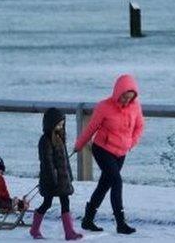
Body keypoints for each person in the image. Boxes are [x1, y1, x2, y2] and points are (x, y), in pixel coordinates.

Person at [74, 74, 144, 235]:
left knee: (104, 185)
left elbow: (140, 127)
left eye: (130, 98)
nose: (127, 100)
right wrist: (79, 145)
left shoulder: (135, 107)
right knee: (117, 181)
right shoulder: (104, 106)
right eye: (125, 97)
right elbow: (91, 128)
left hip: (121, 152)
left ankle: (87, 219)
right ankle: (121, 223)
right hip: (102, 149)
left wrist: (131, 143)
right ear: (118, 92)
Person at [31, 107, 82, 240]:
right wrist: (52, 179)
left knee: (65, 202)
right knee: (47, 203)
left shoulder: (60, 138)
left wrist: (69, 176)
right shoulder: (45, 140)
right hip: (50, 180)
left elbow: (65, 161)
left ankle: (69, 232)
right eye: (58, 124)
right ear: (50, 124)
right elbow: (47, 162)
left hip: (63, 179)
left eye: (62, 124)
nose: (60, 126)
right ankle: (34, 229)